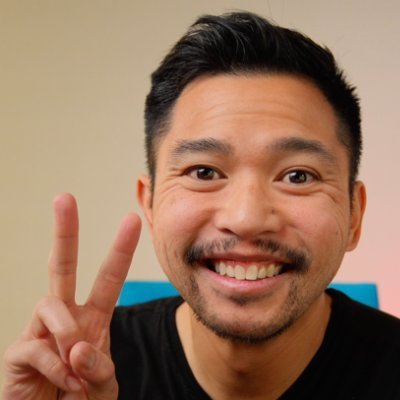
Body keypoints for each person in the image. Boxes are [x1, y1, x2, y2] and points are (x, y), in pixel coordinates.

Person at [2, 11, 400, 400]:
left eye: (297, 176)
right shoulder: (80, 371)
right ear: (151, 206)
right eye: (204, 172)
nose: (245, 219)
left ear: (354, 215)